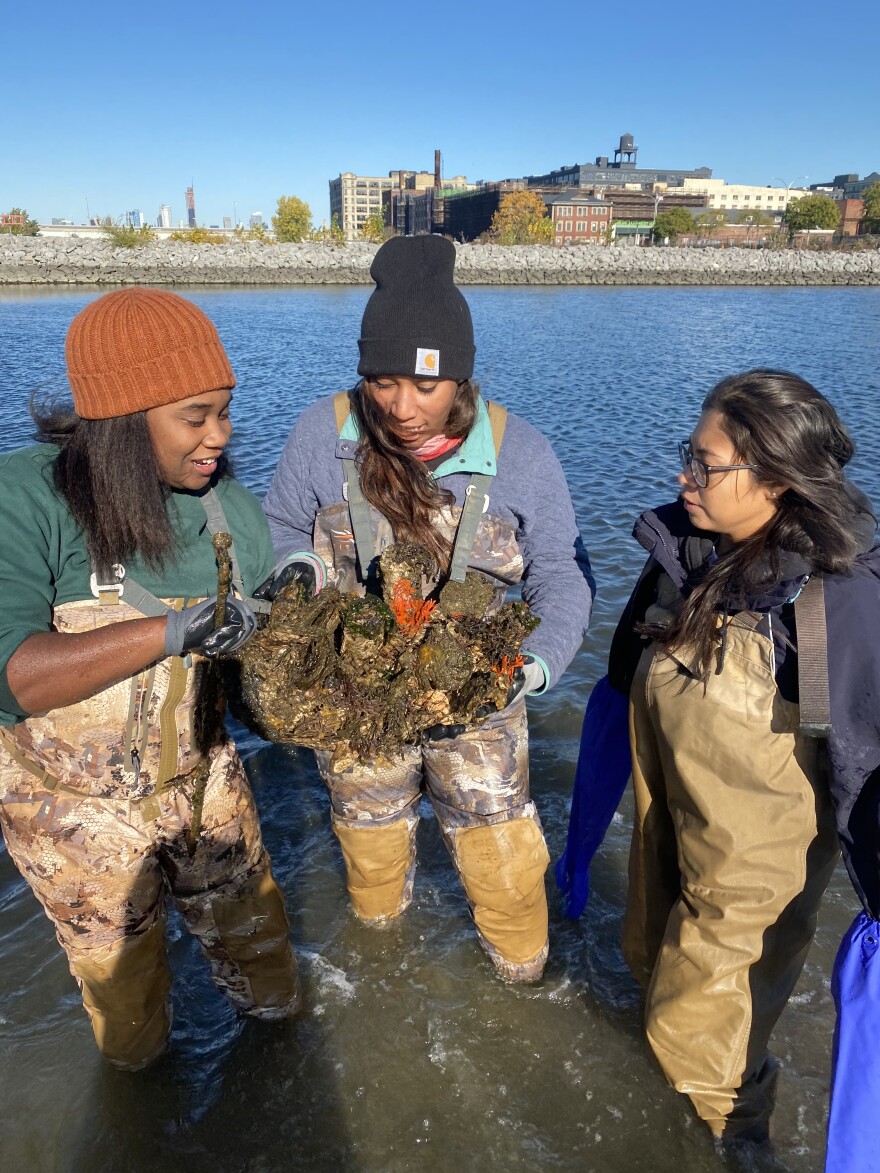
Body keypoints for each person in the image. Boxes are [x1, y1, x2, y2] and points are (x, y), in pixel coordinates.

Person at [262, 235, 593, 983]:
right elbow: (280, 527)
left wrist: (529, 671)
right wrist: (302, 584)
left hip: (480, 704)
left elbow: (564, 580)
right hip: (355, 697)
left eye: (425, 384)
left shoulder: (525, 454)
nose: (401, 408)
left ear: (462, 378)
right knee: (373, 868)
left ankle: (523, 983)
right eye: (382, 380)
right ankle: (380, 978)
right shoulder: (325, 433)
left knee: (503, 873)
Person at [0, 287, 300, 1071]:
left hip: (205, 786)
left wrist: (295, 641)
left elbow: (260, 676)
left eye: (226, 411)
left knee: (268, 969)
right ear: (123, 421)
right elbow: (15, 676)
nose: (220, 438)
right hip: (69, 814)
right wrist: (173, 629)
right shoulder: (29, 496)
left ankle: (282, 1079)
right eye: (195, 416)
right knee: (128, 1013)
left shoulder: (227, 507)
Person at [586, 368, 880, 1144]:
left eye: (706, 464)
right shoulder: (684, 553)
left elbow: (867, 769)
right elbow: (619, 683)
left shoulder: (834, 601)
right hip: (669, 834)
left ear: (780, 479)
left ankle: (736, 1146)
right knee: (648, 969)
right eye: (689, 451)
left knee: (702, 1048)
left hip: (754, 885)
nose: (685, 475)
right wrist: (584, 833)